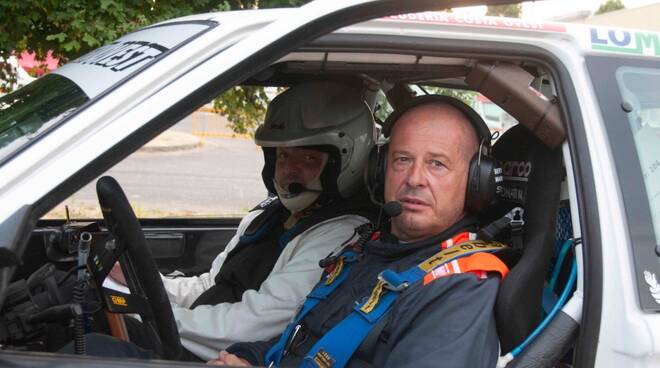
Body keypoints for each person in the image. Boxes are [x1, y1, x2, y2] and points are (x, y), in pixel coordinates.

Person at [64, 81, 377, 361]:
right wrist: (141, 285)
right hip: (199, 337)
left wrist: (151, 314)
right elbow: (210, 285)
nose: (290, 171)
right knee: (82, 316)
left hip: (225, 354)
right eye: (283, 156)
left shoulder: (342, 233)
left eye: (308, 159)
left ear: (343, 160)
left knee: (94, 348)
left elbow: (252, 324)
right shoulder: (269, 215)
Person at [212, 95, 510, 367]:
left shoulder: (458, 292)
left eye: (437, 164)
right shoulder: (368, 250)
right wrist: (247, 357)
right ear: (379, 171)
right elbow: (303, 342)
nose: (415, 178)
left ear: (476, 182)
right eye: (402, 159)